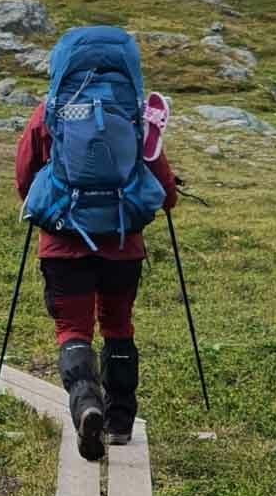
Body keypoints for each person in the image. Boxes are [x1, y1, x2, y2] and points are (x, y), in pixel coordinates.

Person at [14, 31, 177, 460]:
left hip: (64, 242)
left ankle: (87, 404)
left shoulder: (50, 111)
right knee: (119, 326)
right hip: (123, 244)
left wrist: (45, 204)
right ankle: (120, 422)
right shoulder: (134, 114)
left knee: (73, 330)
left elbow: (24, 174)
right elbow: (160, 181)